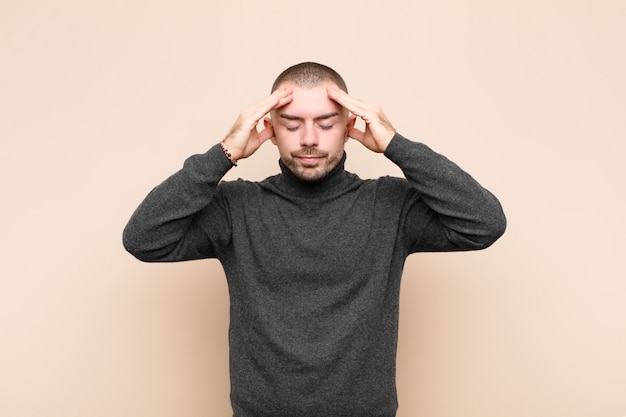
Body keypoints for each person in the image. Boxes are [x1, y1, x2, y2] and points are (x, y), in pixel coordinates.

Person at [123, 62, 506, 417]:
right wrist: (223, 153)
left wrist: (396, 145)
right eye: (291, 124)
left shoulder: (390, 205)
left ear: (349, 126)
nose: (309, 139)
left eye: (326, 123)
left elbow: (484, 223)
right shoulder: (235, 208)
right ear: (268, 128)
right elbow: (143, 238)